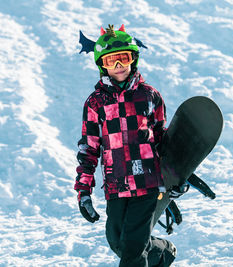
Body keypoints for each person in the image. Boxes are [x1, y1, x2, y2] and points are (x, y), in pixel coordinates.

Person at [74, 24, 177, 267]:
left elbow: (163, 140)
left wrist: (174, 179)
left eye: (124, 58)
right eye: (111, 60)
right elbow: (89, 148)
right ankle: (162, 252)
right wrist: (83, 191)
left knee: (132, 248)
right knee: (118, 240)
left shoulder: (149, 96)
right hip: (116, 184)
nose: (119, 65)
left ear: (134, 59)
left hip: (147, 182)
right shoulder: (95, 102)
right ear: (102, 65)